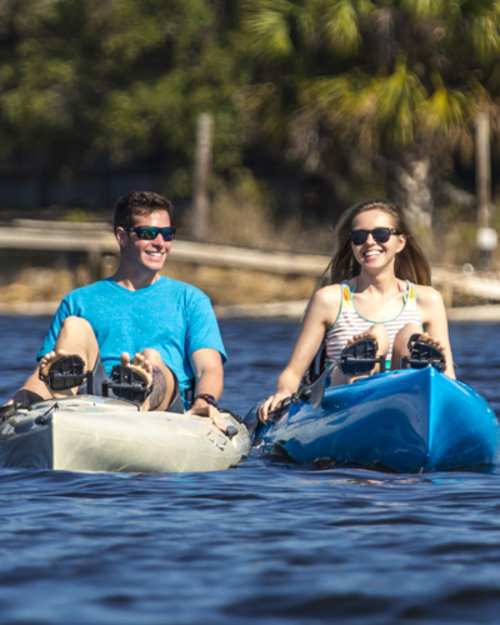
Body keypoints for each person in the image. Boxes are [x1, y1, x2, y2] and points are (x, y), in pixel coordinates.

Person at [5, 191, 227, 428]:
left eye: (167, 234)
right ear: (122, 237)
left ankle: (140, 390)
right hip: (93, 401)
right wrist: (20, 401)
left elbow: (208, 368)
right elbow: (44, 371)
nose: (160, 243)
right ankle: (65, 405)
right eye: (148, 233)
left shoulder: (191, 300)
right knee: (74, 327)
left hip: (164, 407)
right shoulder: (78, 301)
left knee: (152, 358)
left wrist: (205, 400)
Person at [259, 199, 455, 421]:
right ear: (352, 245)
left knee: (410, 335)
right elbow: (294, 372)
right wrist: (283, 394)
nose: (370, 242)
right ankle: (360, 363)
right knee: (377, 336)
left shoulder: (427, 299)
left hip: (404, 401)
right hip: (343, 403)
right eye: (360, 237)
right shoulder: (330, 299)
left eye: (381, 234)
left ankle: (419, 365)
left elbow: (449, 376)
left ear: (400, 242)